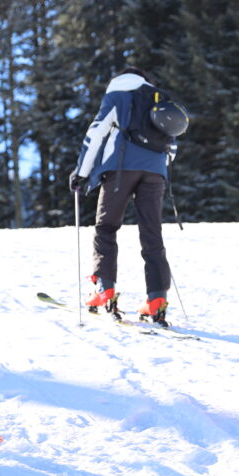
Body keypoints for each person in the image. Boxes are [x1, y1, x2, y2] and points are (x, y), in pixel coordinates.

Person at [70, 66, 186, 326]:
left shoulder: (118, 95)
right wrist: (158, 167)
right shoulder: (159, 98)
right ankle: (157, 299)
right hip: (156, 171)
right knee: (151, 233)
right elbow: (173, 140)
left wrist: (81, 172)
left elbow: (96, 132)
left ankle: (104, 290)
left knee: (106, 227)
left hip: (119, 168)